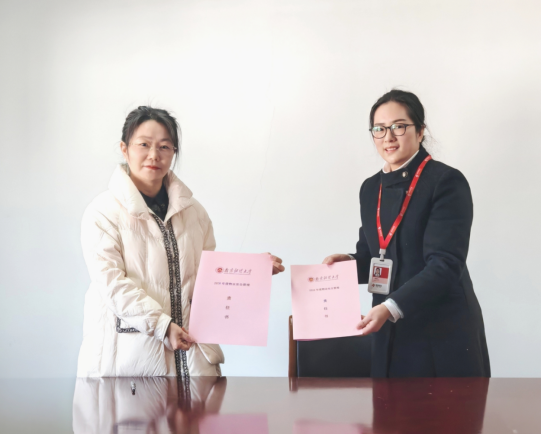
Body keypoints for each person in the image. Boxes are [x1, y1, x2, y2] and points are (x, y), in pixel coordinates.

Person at [77, 106, 284, 377]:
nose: (154, 155)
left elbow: (207, 282)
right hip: (129, 367)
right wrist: (162, 327)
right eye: (144, 144)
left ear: (173, 152)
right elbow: (112, 286)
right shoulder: (102, 213)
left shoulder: (194, 212)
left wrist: (253, 272)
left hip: (194, 363)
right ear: (124, 149)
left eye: (164, 146)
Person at [323, 90, 490, 377]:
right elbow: (375, 256)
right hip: (387, 328)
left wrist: (390, 307)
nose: (388, 137)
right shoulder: (370, 188)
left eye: (398, 126)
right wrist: (347, 264)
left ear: (420, 131)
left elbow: (446, 264)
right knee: (387, 406)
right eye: (379, 129)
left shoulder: (445, 181)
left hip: (441, 333)